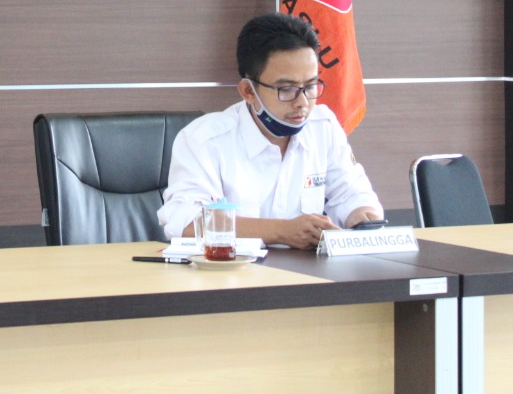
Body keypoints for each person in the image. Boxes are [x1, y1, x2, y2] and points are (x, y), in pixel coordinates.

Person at [158, 13, 383, 249]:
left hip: (308, 269)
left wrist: (363, 216)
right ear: (248, 91)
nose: (302, 102)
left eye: (310, 86)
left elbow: (351, 193)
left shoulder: (323, 126)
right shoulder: (204, 139)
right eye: (286, 89)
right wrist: (282, 231)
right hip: (233, 270)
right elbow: (186, 222)